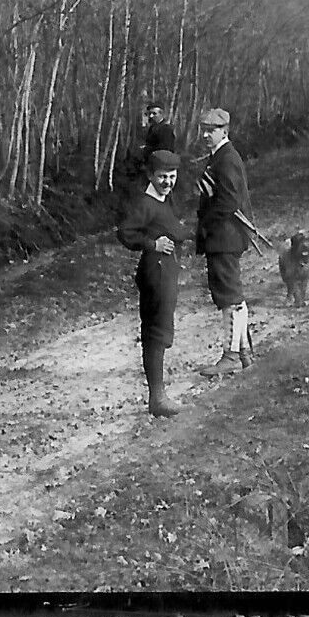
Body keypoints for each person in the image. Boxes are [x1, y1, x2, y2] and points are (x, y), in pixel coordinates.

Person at [115, 149, 191, 418]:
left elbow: (175, 228)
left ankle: (158, 394)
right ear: (150, 175)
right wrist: (151, 244)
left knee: (162, 327)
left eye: (172, 176)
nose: (168, 181)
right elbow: (125, 232)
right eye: (162, 177)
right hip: (155, 272)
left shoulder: (165, 200)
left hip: (167, 271)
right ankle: (157, 397)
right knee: (156, 331)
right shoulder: (145, 203)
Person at [192, 107, 255, 376]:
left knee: (229, 296)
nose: (206, 134)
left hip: (225, 236)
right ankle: (244, 353)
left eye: (212, 130)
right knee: (231, 295)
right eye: (203, 129)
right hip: (223, 236)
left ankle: (230, 357)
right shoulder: (217, 157)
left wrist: (206, 225)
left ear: (225, 131)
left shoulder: (226, 159)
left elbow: (228, 201)